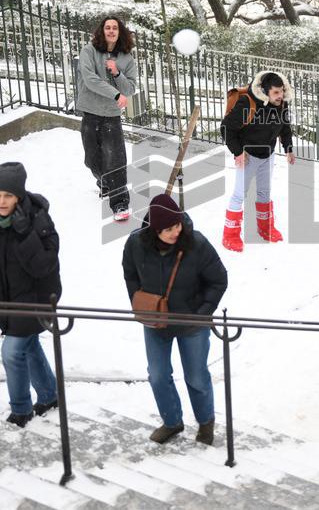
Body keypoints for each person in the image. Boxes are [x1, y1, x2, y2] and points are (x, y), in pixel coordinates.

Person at [0, 162, 62, 427]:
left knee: (12, 352)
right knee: (29, 346)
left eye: (8, 195)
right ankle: (50, 395)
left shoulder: (37, 218)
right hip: (2, 301)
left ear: (19, 195)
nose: (1, 201)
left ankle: (21, 410)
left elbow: (45, 265)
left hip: (36, 299)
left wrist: (25, 233)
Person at [123, 194, 228, 445]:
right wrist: (141, 303)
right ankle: (172, 422)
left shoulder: (196, 243)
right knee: (157, 375)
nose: (175, 232)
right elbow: (130, 274)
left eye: (177, 225)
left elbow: (218, 279)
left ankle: (205, 423)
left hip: (192, 323)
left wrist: (202, 313)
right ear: (155, 230)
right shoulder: (136, 243)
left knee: (196, 377)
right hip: (155, 322)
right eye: (168, 229)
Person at [219, 70, 295, 252]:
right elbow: (226, 128)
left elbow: (285, 127)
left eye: (282, 91)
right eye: (275, 92)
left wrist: (288, 148)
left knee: (264, 192)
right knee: (239, 195)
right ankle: (230, 235)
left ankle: (265, 228)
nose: (280, 96)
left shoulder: (281, 104)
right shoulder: (248, 103)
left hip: (267, 154)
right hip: (247, 156)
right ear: (265, 91)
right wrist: (238, 152)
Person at [76, 16, 138, 221]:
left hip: (111, 115)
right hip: (91, 111)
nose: (111, 31)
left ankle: (120, 203)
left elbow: (130, 88)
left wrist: (117, 73)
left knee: (115, 160)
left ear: (120, 32)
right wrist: (115, 94)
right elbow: (90, 79)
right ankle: (104, 181)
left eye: (115, 28)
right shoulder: (89, 51)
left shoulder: (127, 58)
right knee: (91, 159)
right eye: (107, 27)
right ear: (101, 31)